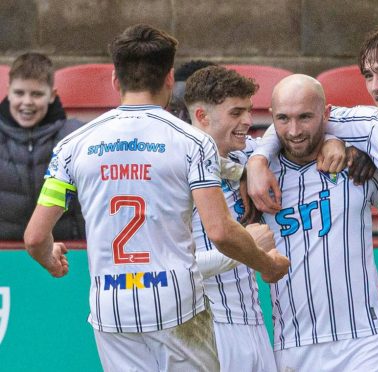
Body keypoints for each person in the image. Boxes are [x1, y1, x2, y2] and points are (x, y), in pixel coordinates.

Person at [23, 24, 289, 371]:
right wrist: (267, 264)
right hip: (175, 306)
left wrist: (49, 256)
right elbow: (221, 232)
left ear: (116, 80)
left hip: (112, 309)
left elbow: (35, 237)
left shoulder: (72, 146)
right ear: (168, 79)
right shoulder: (193, 143)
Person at [247, 23, 378, 272]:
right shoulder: (372, 126)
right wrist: (257, 161)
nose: (375, 86)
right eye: (368, 75)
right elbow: (294, 117)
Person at [261, 74, 378, 371]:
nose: (294, 130)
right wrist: (256, 162)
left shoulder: (354, 163)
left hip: (365, 339)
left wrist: (365, 158)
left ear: (326, 114)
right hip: (294, 343)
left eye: (305, 117)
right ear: (271, 118)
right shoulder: (259, 175)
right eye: (283, 118)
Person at [184, 65, 278, 371]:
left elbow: (282, 130)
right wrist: (245, 248)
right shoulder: (175, 172)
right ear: (202, 116)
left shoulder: (243, 156)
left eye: (249, 111)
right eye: (236, 113)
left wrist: (259, 162)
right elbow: (176, 267)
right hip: (208, 325)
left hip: (254, 321)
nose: (248, 122)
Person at [0, 52, 84, 240]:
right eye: (19, 93)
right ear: (8, 92)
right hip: (5, 253)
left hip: (65, 250)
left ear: (52, 95)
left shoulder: (75, 137)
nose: (27, 102)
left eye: (37, 94)